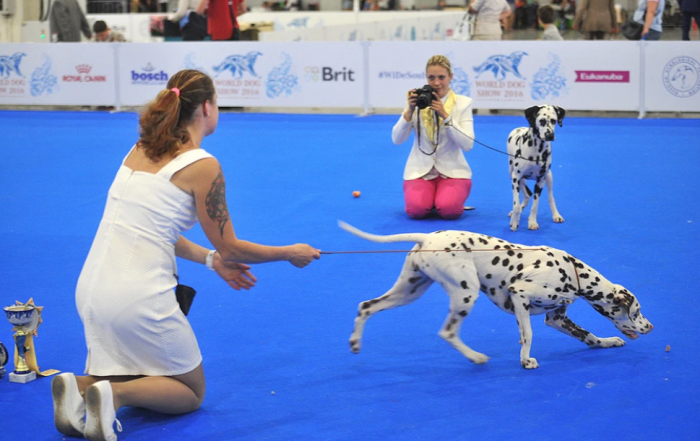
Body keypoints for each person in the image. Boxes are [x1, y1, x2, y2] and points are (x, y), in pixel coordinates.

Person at [50, 70, 320, 441]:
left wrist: (211, 261)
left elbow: (160, 232)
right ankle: (115, 394)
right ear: (207, 107)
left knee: (138, 365)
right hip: (136, 297)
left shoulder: (140, 148)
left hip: (91, 291)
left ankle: (81, 385)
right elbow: (233, 247)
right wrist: (290, 252)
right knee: (191, 393)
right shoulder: (203, 165)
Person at [392, 56, 475, 220]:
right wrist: (409, 112)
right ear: (426, 78)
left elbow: (467, 144)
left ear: (451, 77)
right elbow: (397, 139)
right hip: (420, 171)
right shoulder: (416, 100)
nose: (436, 83)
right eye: (431, 78)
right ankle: (431, 200)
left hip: (453, 171)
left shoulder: (463, 103)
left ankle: (443, 200)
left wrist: (445, 115)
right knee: (416, 211)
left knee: (449, 211)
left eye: (442, 77)